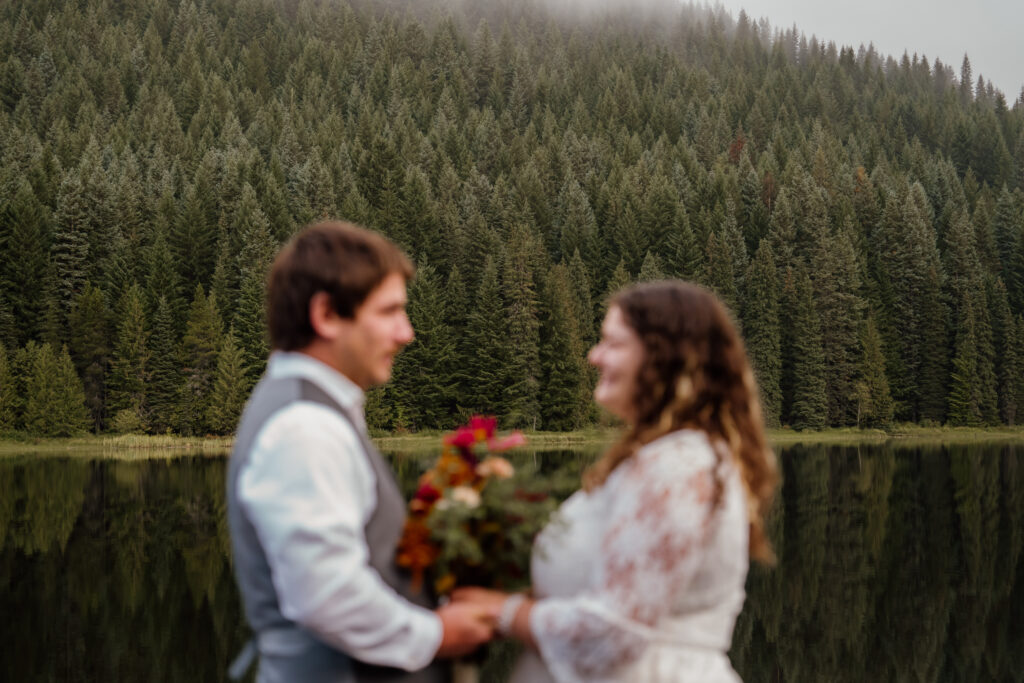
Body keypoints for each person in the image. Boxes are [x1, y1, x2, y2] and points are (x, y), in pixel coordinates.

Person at [453, 280, 778, 682]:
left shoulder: (678, 468)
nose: (594, 356)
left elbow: (613, 634)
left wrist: (501, 612)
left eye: (613, 343)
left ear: (663, 357)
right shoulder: (667, 458)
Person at [226, 221, 493, 683]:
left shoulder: (309, 408)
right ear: (327, 315)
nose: (406, 333)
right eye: (389, 312)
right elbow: (324, 595)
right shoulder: (304, 427)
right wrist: (436, 635)